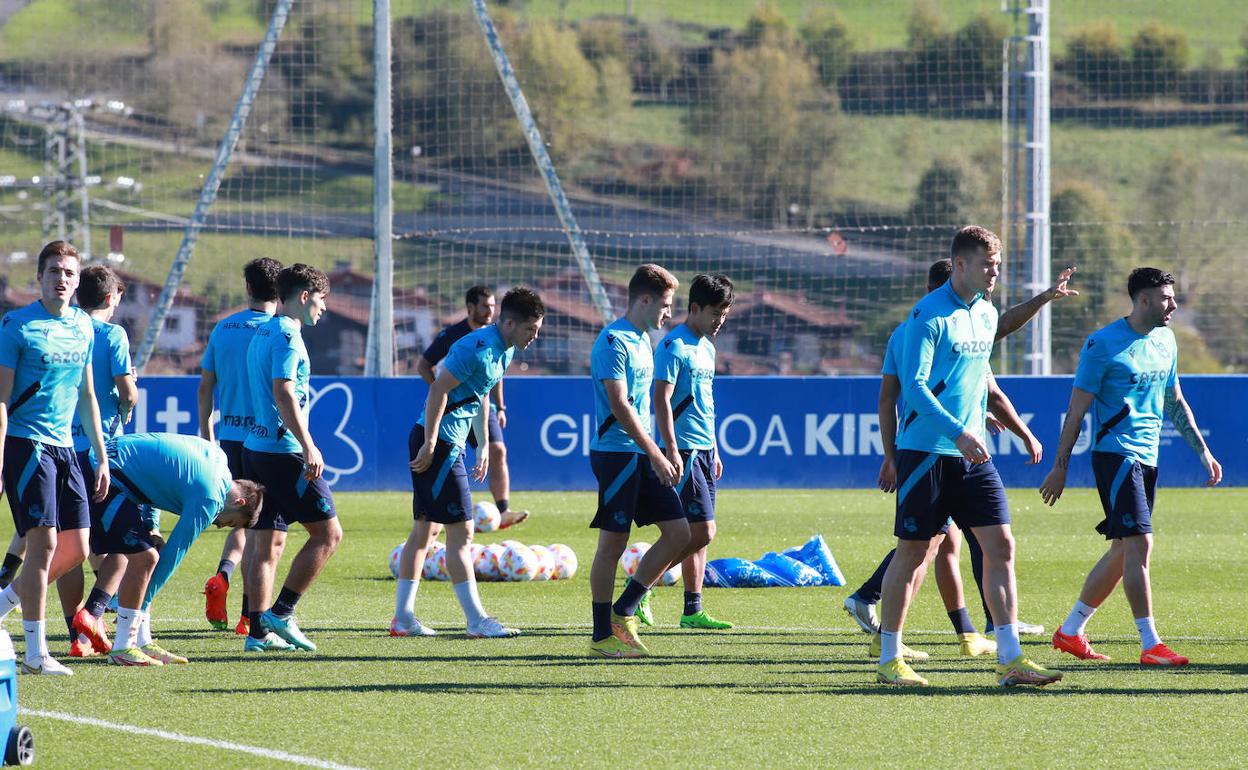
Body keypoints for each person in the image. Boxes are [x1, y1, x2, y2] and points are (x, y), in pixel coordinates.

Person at [845, 259, 1079, 654]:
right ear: (952, 280)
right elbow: (896, 396)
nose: (992, 281)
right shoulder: (918, 327)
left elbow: (983, 363)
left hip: (969, 454)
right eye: (987, 269)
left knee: (975, 543)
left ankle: (995, 645)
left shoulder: (978, 318)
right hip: (928, 450)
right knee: (924, 546)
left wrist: (1044, 298)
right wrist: (893, 454)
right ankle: (887, 633)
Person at [1041, 267, 1221, 666]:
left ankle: (1070, 631)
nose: (1173, 304)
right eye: (1166, 298)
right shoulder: (1101, 345)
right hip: (1116, 455)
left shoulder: (1166, 340)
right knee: (1141, 543)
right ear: (1143, 300)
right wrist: (1060, 466)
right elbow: (1076, 411)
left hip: (1147, 456)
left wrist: (1203, 451)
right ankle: (1150, 643)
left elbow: (1174, 400)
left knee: (1124, 549)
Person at [392, 287, 545, 639]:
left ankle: (403, 618)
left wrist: (483, 446)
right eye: (530, 330)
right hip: (440, 444)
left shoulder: (504, 351)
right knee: (461, 533)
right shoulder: (475, 347)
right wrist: (431, 443)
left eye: (537, 330)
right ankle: (477, 620)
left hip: (453, 443)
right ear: (508, 322)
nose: (534, 337)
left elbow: (482, 395)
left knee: (424, 531)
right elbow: (437, 390)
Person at [0, 240, 110, 675]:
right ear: (39, 277)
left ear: (77, 279)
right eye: (53, 271)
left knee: (79, 546)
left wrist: (100, 455)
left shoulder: (84, 327)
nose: (61, 279)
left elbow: (87, 395)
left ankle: (5, 602)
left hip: (67, 448)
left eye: (68, 272)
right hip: (27, 446)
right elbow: (1, 399)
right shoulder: (16, 326)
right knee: (42, 544)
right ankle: (35, 652)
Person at [75, 433, 264, 666]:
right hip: (102, 477)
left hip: (98, 463)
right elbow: (173, 555)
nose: (220, 525)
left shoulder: (218, 458)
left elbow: (154, 478)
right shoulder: (211, 499)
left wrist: (152, 526)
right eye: (231, 522)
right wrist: (140, 606)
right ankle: (123, 646)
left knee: (142, 553)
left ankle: (141, 640)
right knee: (147, 559)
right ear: (239, 502)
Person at [587, 264, 688, 659]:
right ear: (643, 300)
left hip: (641, 453)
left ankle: (624, 610)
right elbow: (620, 404)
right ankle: (600, 635)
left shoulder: (644, 340)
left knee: (680, 534)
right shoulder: (613, 341)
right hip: (617, 455)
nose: (668, 312)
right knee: (613, 544)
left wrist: (660, 450)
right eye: (664, 304)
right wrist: (656, 452)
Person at [242, 264, 342, 653]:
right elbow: (283, 391)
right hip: (283, 453)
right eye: (321, 300)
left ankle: (256, 634)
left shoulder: (263, 330)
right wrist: (308, 445)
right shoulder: (286, 335)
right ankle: (282, 612)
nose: (323, 309)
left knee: (265, 546)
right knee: (329, 534)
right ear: (304, 297)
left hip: (256, 449)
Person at [198, 257, 282, 636]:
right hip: (264, 440)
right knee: (262, 529)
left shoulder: (223, 328)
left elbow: (205, 387)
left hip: (229, 436)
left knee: (240, 519)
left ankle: (223, 576)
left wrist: (206, 432)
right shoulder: (279, 332)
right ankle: (251, 614)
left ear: (248, 288)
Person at [59, 265, 138, 659]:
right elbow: (127, 391)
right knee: (124, 544)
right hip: (101, 450)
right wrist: (128, 403)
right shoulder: (113, 334)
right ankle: (97, 617)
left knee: (70, 543)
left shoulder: (65, 327)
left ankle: (76, 634)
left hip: (60, 445)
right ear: (111, 298)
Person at [652, 274, 734, 631]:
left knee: (698, 535)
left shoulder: (708, 348)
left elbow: (707, 404)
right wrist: (671, 448)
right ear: (695, 308)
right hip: (682, 449)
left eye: (725, 313)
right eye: (716, 312)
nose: (720, 320)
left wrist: (713, 447)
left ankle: (692, 610)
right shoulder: (674, 346)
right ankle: (641, 588)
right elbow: (661, 399)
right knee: (702, 532)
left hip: (703, 449)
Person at [417, 286, 528, 530]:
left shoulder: (501, 340)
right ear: (470, 308)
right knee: (446, 526)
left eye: (492, 306)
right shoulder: (454, 336)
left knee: (497, 450)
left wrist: (501, 407)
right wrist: (443, 392)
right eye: (484, 306)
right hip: (455, 408)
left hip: (482, 404)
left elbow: (492, 379)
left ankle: (503, 510)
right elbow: (424, 365)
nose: (490, 311)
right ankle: (442, 518)